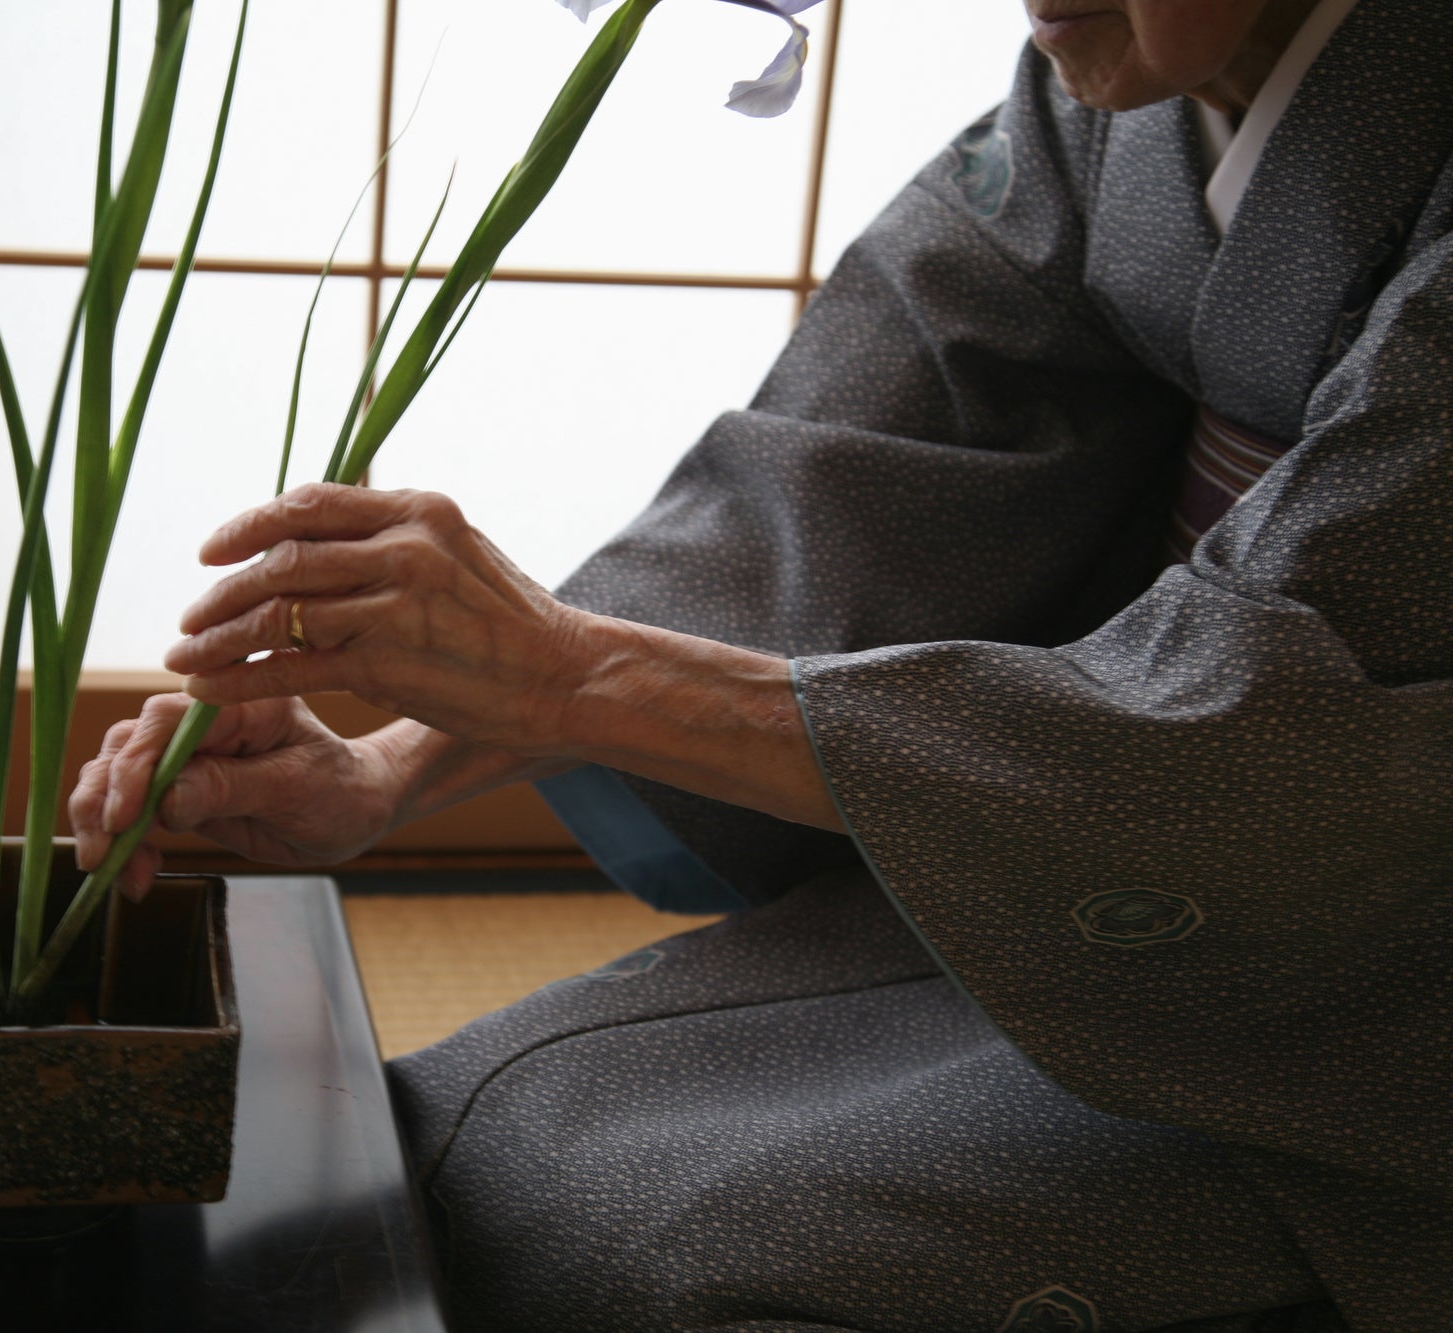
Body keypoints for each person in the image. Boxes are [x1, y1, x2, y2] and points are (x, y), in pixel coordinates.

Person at [70, 0, 1451, 1325]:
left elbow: (1280, 743)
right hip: (1067, 847)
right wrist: (384, 768)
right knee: (448, 1127)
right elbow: (837, 496)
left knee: (637, 1255)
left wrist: (564, 670)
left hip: (1359, 1005)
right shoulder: (1102, 105)